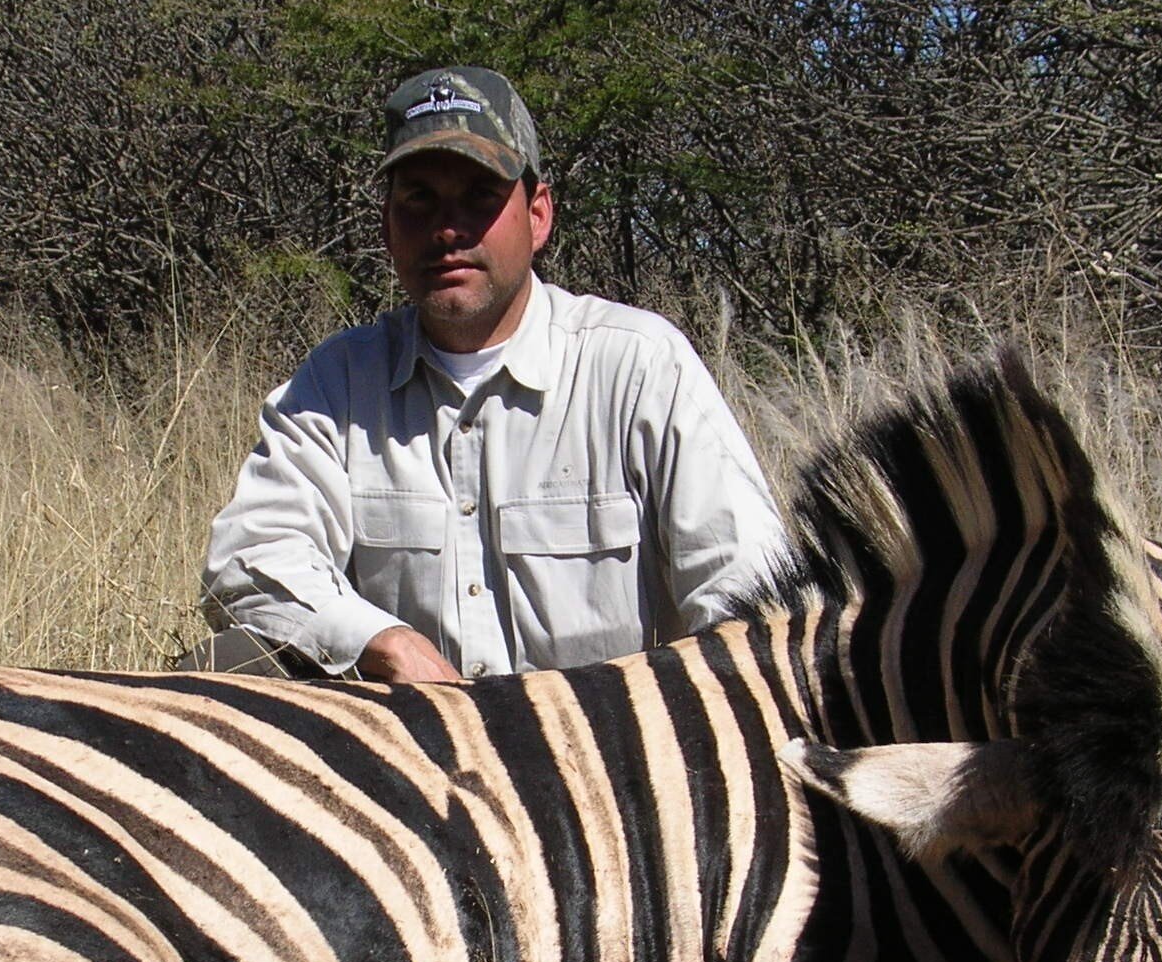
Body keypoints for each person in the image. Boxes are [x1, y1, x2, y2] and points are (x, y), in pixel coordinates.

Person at [191, 66, 788, 683]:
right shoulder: (338, 380)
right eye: (418, 200)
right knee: (225, 667)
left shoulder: (640, 364)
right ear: (387, 227)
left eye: (479, 198)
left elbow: (748, 592)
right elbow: (250, 556)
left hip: (605, 754)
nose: (447, 231)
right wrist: (384, 642)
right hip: (408, 749)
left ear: (537, 215)